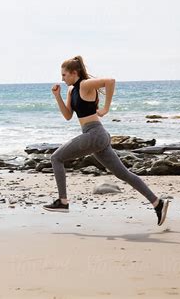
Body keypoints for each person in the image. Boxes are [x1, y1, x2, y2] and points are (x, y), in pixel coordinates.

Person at [42, 55, 170, 226]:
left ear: (74, 73)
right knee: (123, 174)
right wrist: (57, 96)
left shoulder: (85, 84)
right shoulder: (72, 90)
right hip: (96, 136)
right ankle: (157, 203)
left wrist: (106, 108)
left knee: (56, 158)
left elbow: (110, 81)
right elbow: (67, 116)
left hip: (95, 134)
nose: (62, 78)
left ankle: (63, 202)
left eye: (64, 75)